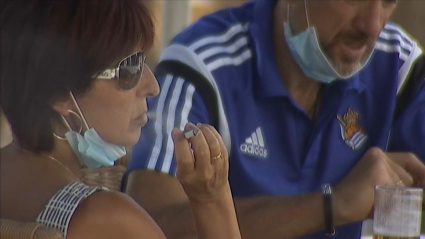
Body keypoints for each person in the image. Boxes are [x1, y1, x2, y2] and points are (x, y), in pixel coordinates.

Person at [125, 0, 425, 238]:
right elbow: (148, 225)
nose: (372, 25)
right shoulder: (202, 65)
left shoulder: (398, 63)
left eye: (389, 0)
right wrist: (332, 205)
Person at [0, 0, 241, 239]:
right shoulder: (108, 218)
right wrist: (211, 199)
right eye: (130, 68)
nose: (153, 86)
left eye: (143, 60)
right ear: (59, 94)